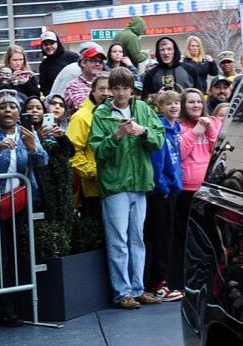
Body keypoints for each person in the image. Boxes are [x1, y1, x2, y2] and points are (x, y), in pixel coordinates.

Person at [89, 67, 165, 308]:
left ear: (132, 89)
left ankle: (138, 288)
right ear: (110, 90)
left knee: (137, 239)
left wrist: (143, 132)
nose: (121, 93)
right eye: (117, 88)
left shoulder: (143, 109)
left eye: (125, 88)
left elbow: (159, 138)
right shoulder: (101, 114)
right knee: (118, 240)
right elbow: (98, 152)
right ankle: (122, 293)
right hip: (115, 185)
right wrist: (117, 135)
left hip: (140, 182)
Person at [0, 89, 46, 327]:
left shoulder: (27, 133)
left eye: (13, 107)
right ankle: (3, 309)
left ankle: (19, 306)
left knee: (17, 254)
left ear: (19, 112)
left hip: (19, 201)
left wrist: (33, 147)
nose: (8, 111)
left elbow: (43, 161)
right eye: (3, 107)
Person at [174, 88, 220, 291]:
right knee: (185, 237)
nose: (195, 106)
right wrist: (194, 132)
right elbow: (180, 154)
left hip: (207, 189)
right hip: (185, 189)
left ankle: (208, 280)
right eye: (191, 102)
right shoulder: (180, 126)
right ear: (184, 105)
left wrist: (209, 130)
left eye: (199, 102)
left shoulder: (213, 122)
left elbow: (218, 151)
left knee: (207, 238)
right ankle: (184, 279)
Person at [145, 89, 184, 302]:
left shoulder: (175, 129)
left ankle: (161, 282)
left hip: (172, 190)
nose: (174, 106)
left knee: (167, 238)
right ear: (160, 107)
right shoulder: (159, 129)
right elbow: (158, 165)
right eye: (168, 104)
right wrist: (163, 188)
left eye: (177, 103)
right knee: (161, 239)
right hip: (161, 193)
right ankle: (157, 285)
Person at [67, 71, 109, 220]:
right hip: (92, 189)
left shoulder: (117, 114)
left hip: (117, 186)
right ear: (93, 91)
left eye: (110, 89)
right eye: (102, 89)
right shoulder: (81, 116)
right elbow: (72, 153)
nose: (106, 93)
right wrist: (94, 173)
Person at [55, 44, 107, 113]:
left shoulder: (106, 84)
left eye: (100, 62)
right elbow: (83, 107)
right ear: (83, 63)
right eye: (93, 61)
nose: (97, 64)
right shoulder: (73, 86)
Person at [36, 29, 78, 96]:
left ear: (57, 43)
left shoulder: (72, 57)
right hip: (57, 102)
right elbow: (44, 88)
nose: (49, 46)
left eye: (52, 43)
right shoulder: (44, 65)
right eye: (46, 44)